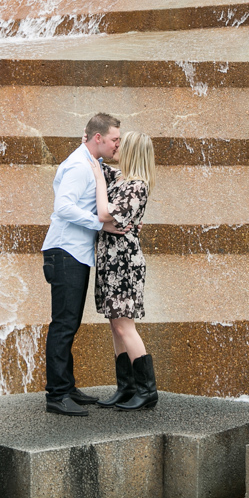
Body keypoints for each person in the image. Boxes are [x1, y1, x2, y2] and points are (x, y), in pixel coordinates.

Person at [41, 113, 127, 416]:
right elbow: (62, 206)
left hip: (71, 253)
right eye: (115, 139)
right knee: (64, 324)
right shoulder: (80, 166)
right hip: (65, 253)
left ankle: (66, 386)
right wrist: (99, 225)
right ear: (98, 139)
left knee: (69, 323)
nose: (118, 144)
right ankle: (57, 394)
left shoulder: (91, 163)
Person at [89, 130, 158, 410]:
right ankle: (126, 388)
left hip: (125, 262)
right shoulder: (118, 179)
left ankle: (147, 391)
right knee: (114, 324)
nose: (115, 146)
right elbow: (92, 159)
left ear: (131, 152)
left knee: (123, 324)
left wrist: (97, 179)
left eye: (121, 144)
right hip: (109, 259)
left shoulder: (138, 185)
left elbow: (106, 214)